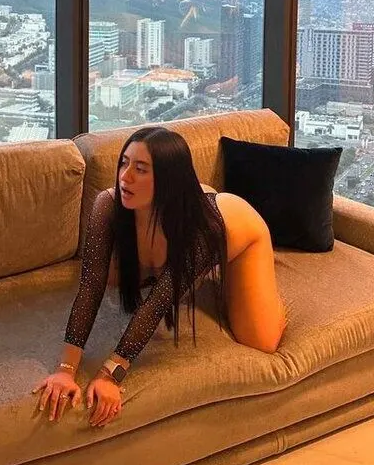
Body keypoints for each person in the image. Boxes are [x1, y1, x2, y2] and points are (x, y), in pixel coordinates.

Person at [32, 126, 288, 429]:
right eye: (124, 163)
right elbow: (90, 287)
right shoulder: (108, 204)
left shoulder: (203, 227)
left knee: (262, 340)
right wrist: (65, 370)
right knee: (112, 277)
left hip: (236, 231)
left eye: (140, 169)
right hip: (170, 222)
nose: (125, 177)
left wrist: (109, 375)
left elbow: (156, 305)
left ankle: (251, 283)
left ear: (167, 180)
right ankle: (188, 263)